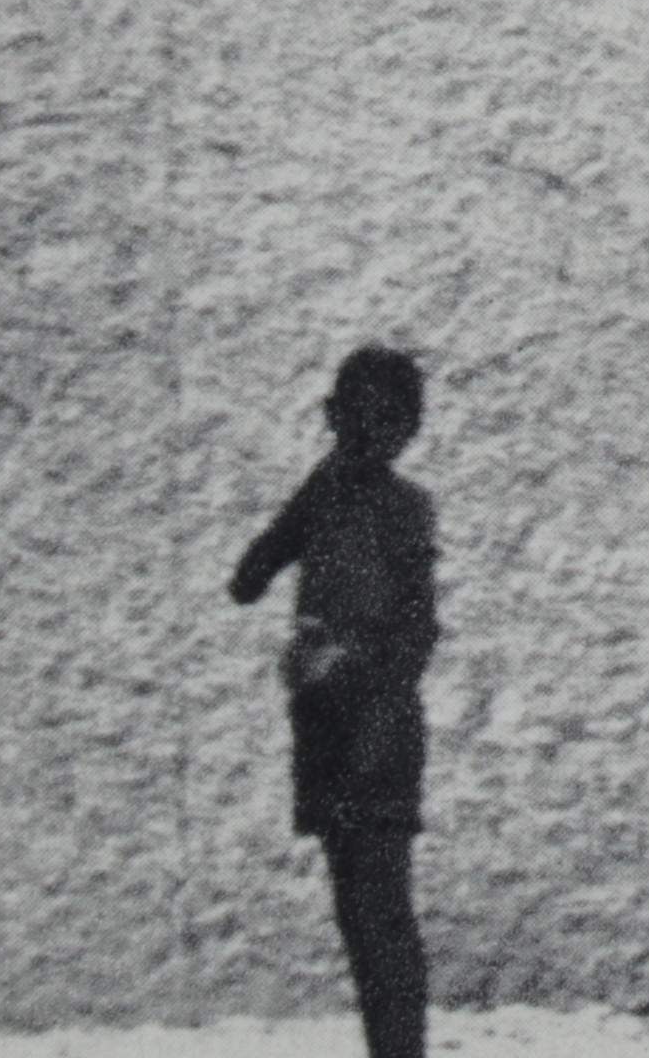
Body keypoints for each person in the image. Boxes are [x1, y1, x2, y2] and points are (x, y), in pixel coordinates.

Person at [232, 345, 439, 1058]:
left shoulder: (404, 509)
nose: (368, 436)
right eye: (354, 419)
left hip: (376, 737)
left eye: (385, 423)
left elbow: (416, 635)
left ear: (406, 429)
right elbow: (258, 565)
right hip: (326, 729)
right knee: (355, 908)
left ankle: (399, 1051)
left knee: (379, 907)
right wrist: (262, 572)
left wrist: (343, 661)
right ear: (333, 418)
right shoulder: (322, 492)